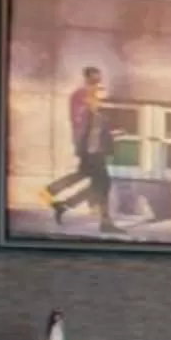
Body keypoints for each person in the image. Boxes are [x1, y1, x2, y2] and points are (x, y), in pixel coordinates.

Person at [44, 66, 123, 230]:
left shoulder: (92, 96)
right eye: (95, 79)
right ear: (87, 78)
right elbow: (81, 123)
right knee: (102, 183)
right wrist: (84, 147)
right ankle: (104, 222)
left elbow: (97, 123)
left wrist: (110, 134)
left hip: (95, 147)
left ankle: (58, 201)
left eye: (99, 79)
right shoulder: (82, 96)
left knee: (94, 180)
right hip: (91, 148)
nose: (99, 83)